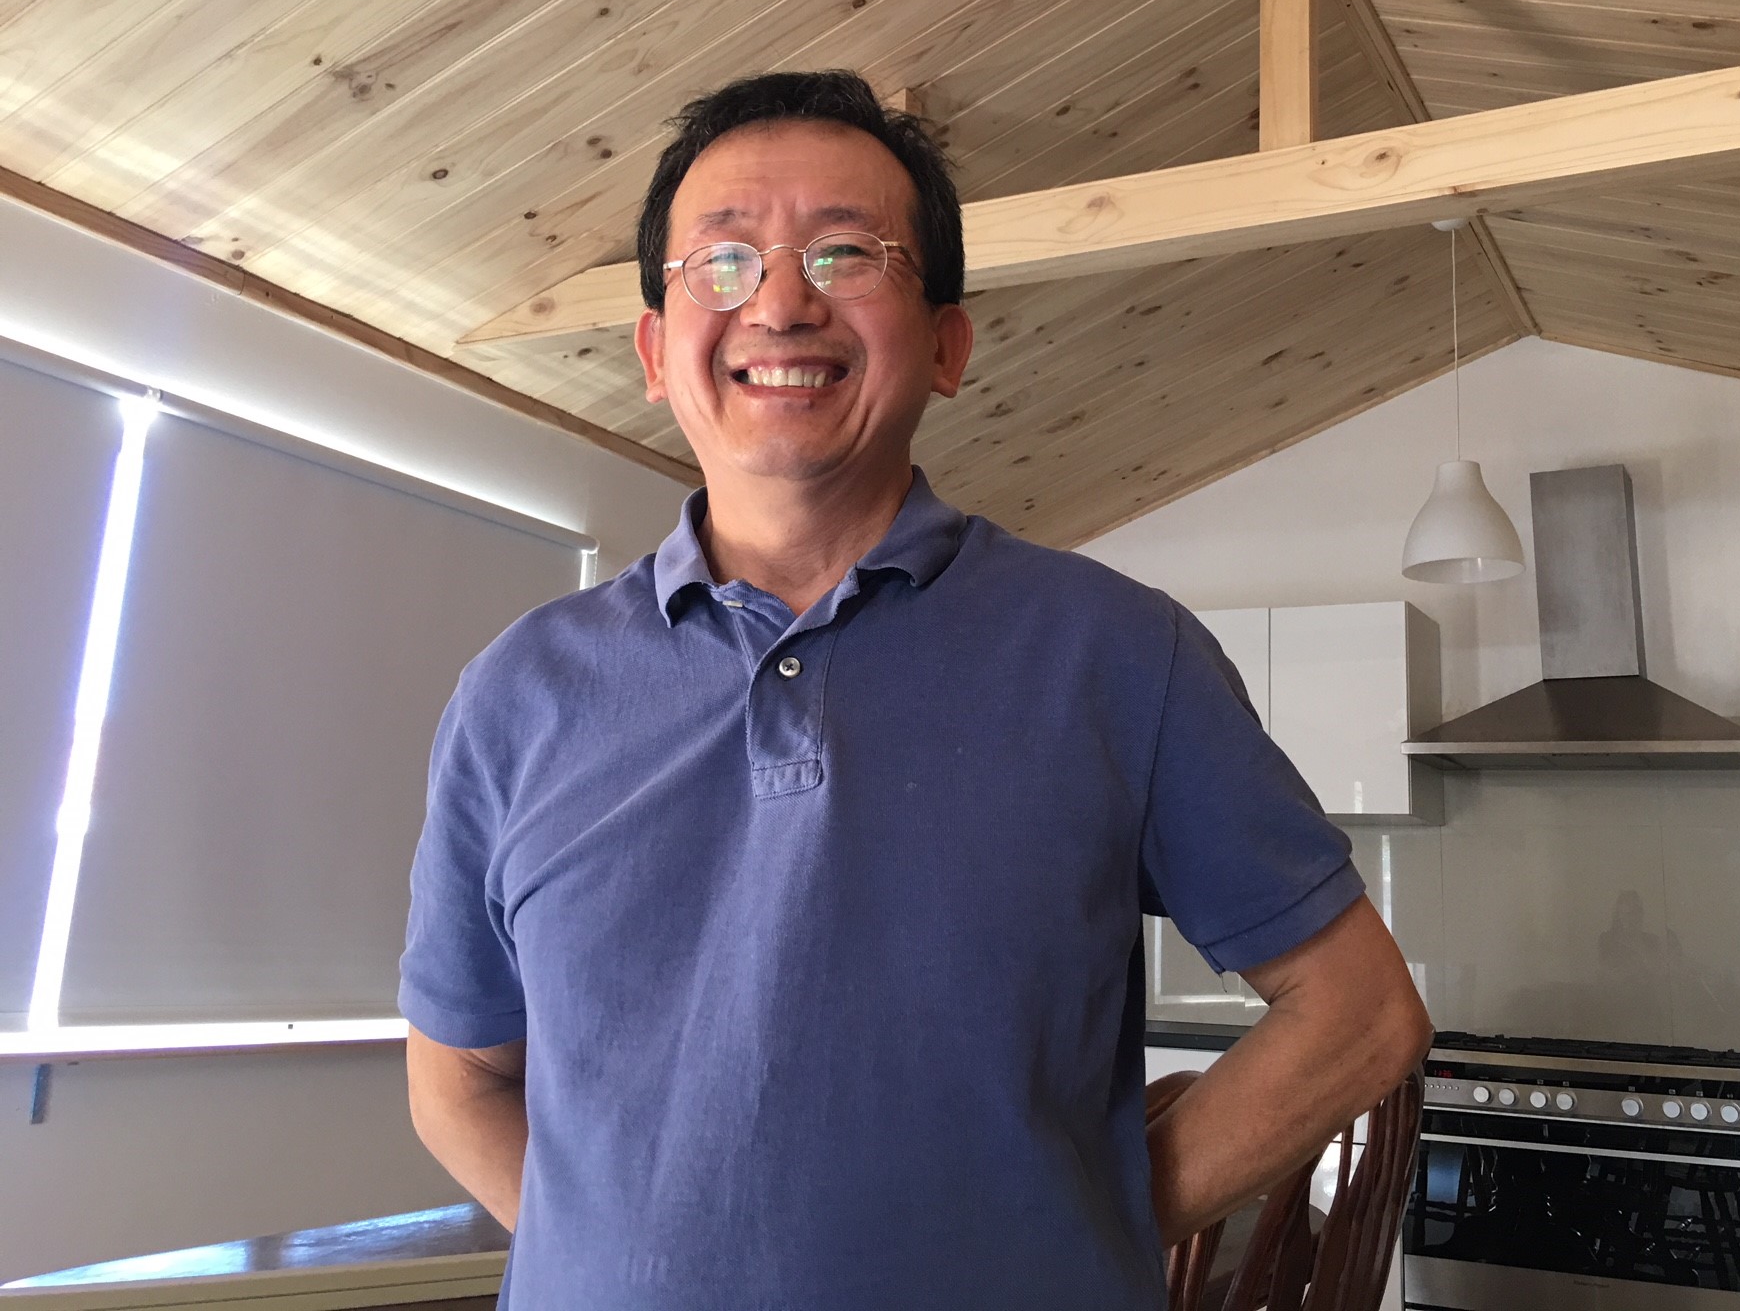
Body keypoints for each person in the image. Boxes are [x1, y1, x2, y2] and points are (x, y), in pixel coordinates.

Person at [399, 70, 1432, 1309]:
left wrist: (1084, 1227)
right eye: (721, 263)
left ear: (948, 343)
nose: (779, 302)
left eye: (844, 253)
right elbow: (457, 1080)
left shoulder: (1115, 653)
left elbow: (1360, 1013)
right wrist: (624, 1260)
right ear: (654, 351)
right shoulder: (517, 693)